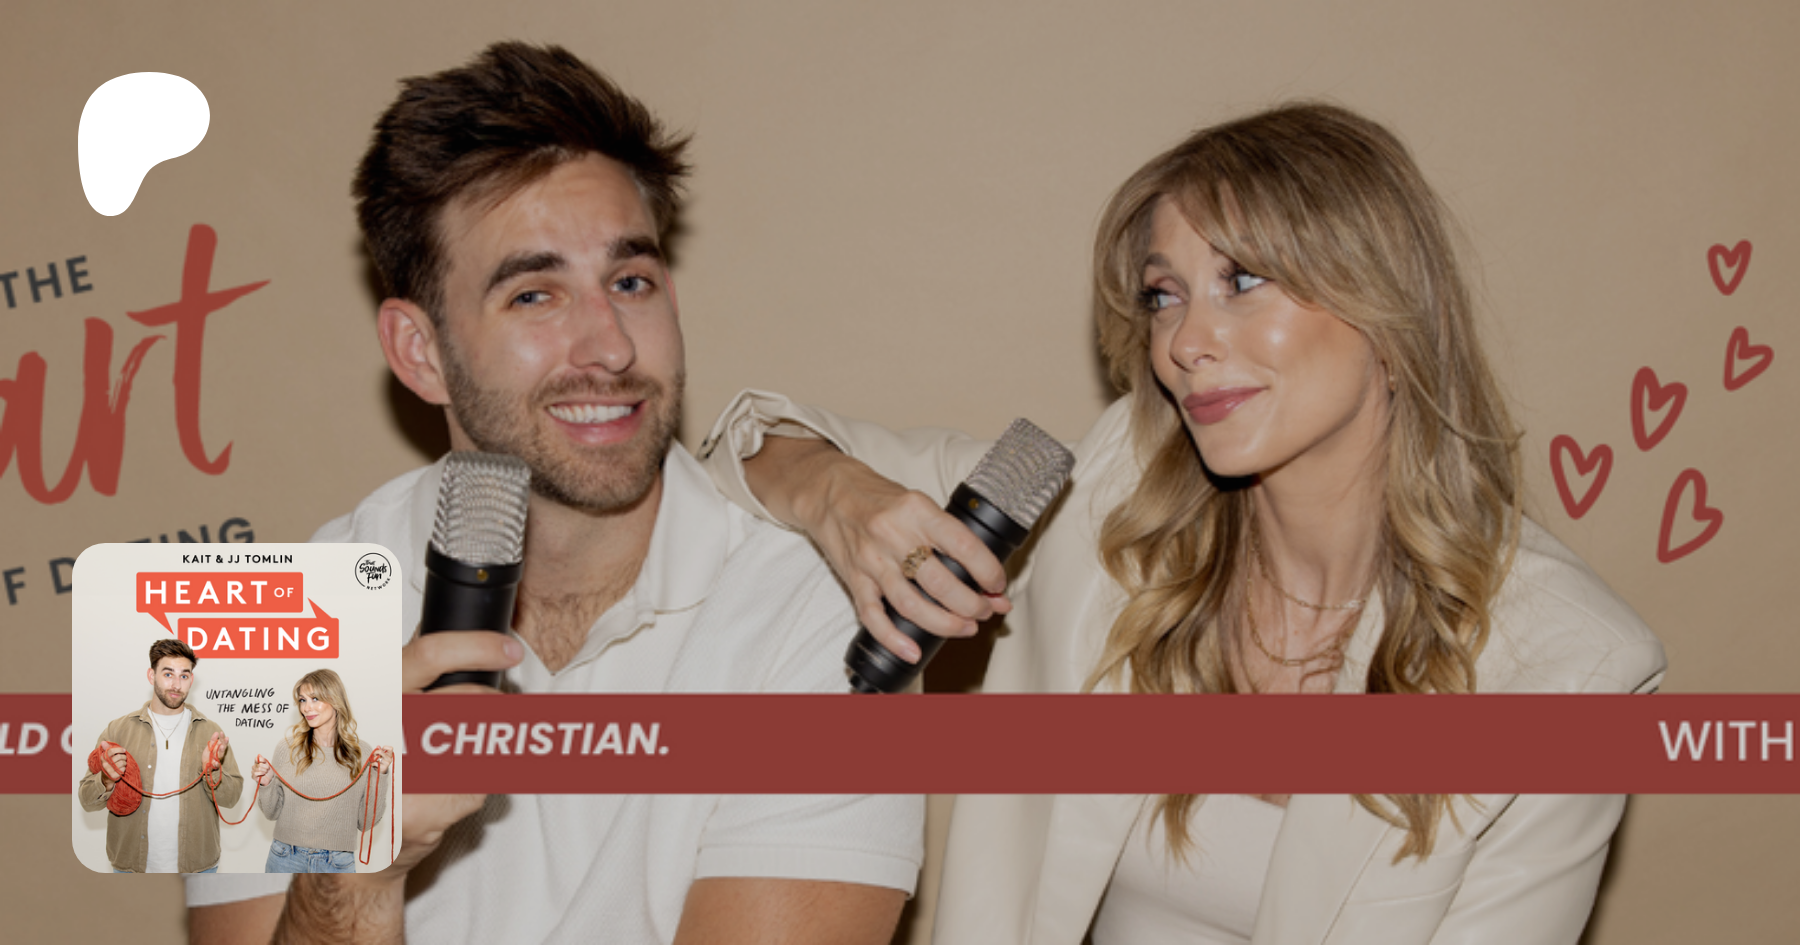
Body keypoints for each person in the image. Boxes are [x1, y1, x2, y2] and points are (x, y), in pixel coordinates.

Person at [699, 103, 1666, 943]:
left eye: (1242, 280)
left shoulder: (1571, 671)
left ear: (1384, 303)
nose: (1186, 343)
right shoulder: (1114, 494)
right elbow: (749, 452)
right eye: (1165, 295)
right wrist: (839, 497)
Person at [186, 41, 922, 944]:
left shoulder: (822, 609)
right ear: (420, 351)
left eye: (629, 281)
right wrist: (359, 866)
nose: (611, 346)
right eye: (534, 295)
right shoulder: (263, 622)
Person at [78, 638, 244, 873]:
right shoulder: (118, 730)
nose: (176, 684)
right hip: (131, 868)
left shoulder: (211, 732)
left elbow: (231, 798)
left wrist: (212, 771)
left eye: (184, 676)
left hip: (197, 868)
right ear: (151, 675)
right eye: (168, 674)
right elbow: (86, 801)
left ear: (191, 680)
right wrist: (106, 779)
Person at [250, 669, 393, 873]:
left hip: (337, 863)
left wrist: (381, 775)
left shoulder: (362, 753)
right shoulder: (287, 749)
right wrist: (267, 783)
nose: (306, 708)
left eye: (315, 699)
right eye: (302, 700)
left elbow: (367, 822)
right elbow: (270, 813)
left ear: (335, 700)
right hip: (285, 858)